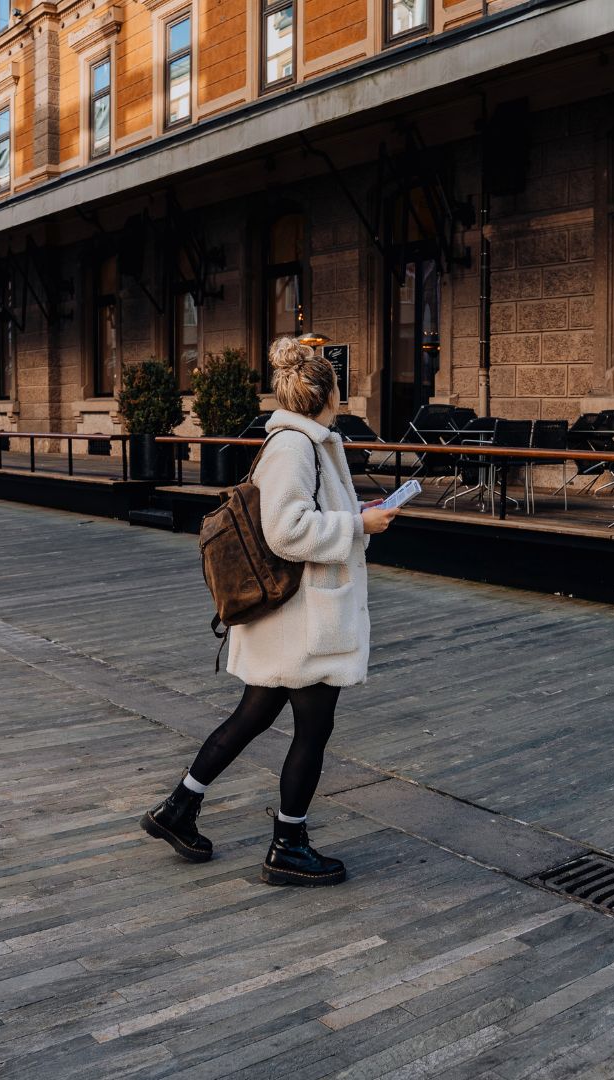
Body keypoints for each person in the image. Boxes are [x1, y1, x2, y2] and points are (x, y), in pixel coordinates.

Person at [142, 336, 399, 886]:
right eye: (338, 387)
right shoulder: (295, 446)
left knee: (255, 715)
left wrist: (358, 512)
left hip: (292, 618)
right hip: (302, 620)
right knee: (312, 729)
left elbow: (306, 513)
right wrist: (357, 525)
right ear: (325, 394)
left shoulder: (306, 442)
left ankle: (178, 808)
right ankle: (288, 846)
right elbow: (285, 531)